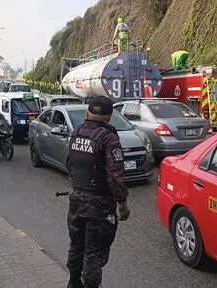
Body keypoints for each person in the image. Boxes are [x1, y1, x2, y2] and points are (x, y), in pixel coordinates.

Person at [66, 96, 130, 288]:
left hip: (76, 201)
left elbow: (69, 164)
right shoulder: (108, 138)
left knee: (76, 246)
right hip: (99, 205)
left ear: (88, 113)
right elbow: (115, 176)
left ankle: (73, 283)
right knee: (93, 252)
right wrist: (122, 203)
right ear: (109, 117)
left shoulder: (77, 132)